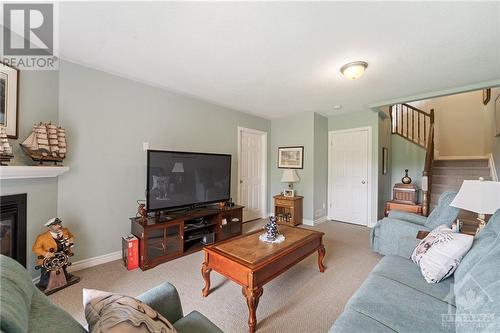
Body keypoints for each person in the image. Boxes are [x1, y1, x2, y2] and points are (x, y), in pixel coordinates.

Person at [32, 218, 74, 290]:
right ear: (49, 227)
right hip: (49, 259)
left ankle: (65, 276)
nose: (59, 226)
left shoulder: (65, 230)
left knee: (63, 266)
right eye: (55, 225)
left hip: (62, 256)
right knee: (46, 273)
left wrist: (70, 241)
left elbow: (71, 236)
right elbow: (35, 248)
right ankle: (43, 284)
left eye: (59, 224)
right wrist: (45, 253)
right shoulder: (42, 237)